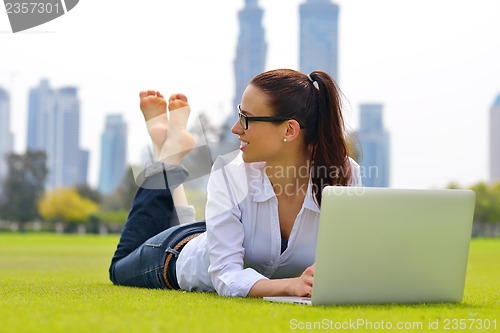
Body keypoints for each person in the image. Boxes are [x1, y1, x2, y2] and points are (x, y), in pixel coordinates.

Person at [109, 69, 361, 298]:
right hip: (177, 255)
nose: (234, 129)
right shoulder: (229, 174)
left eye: (246, 119)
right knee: (119, 268)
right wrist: (289, 285)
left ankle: (168, 144)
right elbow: (225, 276)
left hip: (217, 237)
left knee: (209, 234)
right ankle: (167, 156)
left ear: (289, 131)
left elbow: (348, 260)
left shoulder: (344, 176)